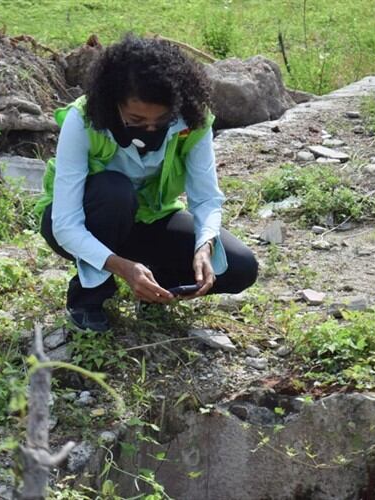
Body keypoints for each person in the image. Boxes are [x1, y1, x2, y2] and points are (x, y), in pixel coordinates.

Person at [35, 34, 258, 332]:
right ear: (114, 103)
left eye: (162, 119)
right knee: (115, 191)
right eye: (137, 120)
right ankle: (87, 299)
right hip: (89, 219)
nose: (150, 128)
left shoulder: (193, 120)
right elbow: (65, 224)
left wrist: (205, 245)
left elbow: (206, 199)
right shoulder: (83, 120)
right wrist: (121, 266)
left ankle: (156, 290)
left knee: (239, 267)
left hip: (149, 219)